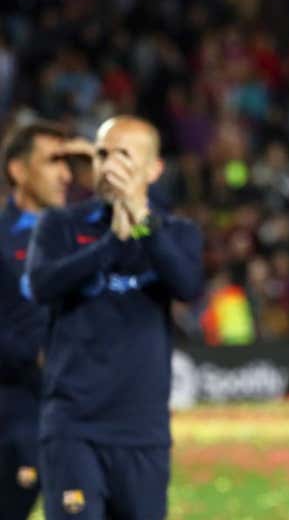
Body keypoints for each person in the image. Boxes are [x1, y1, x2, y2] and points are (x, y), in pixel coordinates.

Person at [25, 116, 204, 520]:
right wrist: (111, 245)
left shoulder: (176, 231)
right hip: (73, 426)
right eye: (102, 153)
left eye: (123, 154)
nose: (108, 165)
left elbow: (188, 286)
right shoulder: (61, 224)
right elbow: (41, 284)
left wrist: (142, 221)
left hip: (142, 431)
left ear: (153, 169)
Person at [0, 121, 81, 520]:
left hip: (81, 417)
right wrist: (33, 355)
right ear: (18, 170)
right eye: (53, 161)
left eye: (69, 162)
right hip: (16, 418)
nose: (66, 174)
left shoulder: (86, 236)